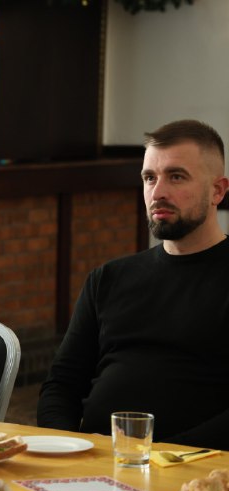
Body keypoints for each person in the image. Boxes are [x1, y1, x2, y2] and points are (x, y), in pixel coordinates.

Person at [37, 119, 229, 450]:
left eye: (176, 176)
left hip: (194, 466)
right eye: (149, 178)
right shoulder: (108, 279)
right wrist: (69, 446)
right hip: (92, 460)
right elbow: (61, 387)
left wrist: (156, 456)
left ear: (217, 191)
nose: (158, 192)